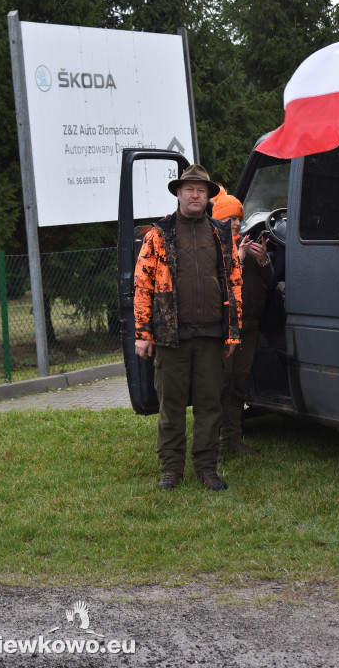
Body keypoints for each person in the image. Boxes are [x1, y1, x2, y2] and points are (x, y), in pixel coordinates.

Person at [133, 165, 242, 491]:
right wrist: (143, 334)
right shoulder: (158, 235)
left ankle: (207, 468)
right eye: (189, 189)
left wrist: (233, 332)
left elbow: (235, 283)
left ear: (208, 196)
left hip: (211, 336)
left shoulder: (221, 235)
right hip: (171, 338)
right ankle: (171, 470)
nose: (195, 194)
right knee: (172, 407)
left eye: (201, 189)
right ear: (178, 193)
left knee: (210, 406)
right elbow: (142, 285)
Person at [211, 192, 273, 456]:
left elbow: (267, 283)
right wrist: (236, 256)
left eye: (238, 217)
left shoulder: (246, 245)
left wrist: (262, 260)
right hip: (225, 329)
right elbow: (217, 285)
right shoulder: (212, 248)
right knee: (220, 385)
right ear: (218, 219)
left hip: (249, 325)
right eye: (230, 217)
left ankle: (232, 441)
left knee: (238, 384)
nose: (236, 223)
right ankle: (212, 445)